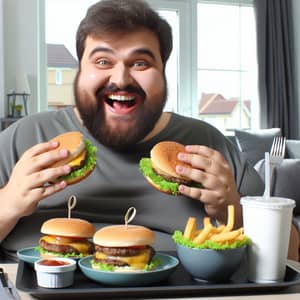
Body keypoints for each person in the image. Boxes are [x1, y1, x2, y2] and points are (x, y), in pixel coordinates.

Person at [0, 0, 298, 261]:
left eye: (140, 62)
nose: (121, 78)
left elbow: (294, 255)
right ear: (80, 70)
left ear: (163, 72)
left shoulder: (209, 146)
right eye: (102, 61)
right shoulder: (25, 138)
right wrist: (8, 203)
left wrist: (233, 210)